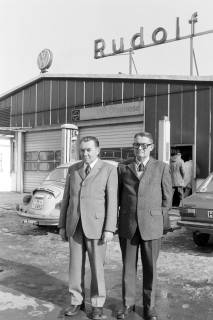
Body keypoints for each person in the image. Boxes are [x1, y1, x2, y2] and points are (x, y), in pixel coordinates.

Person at [58, 136, 118, 320]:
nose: (85, 153)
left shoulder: (108, 170)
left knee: (97, 268)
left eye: (89, 149)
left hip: (97, 227)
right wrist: (62, 225)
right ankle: (77, 301)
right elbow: (66, 199)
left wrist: (109, 228)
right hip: (74, 226)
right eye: (82, 150)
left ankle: (98, 304)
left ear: (98, 150)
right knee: (75, 267)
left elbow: (112, 201)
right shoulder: (73, 169)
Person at [117, 132, 173, 320]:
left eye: (143, 145)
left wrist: (160, 219)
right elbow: (118, 195)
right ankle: (127, 304)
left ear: (151, 147)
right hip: (128, 225)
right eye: (136, 145)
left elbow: (167, 198)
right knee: (128, 267)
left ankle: (149, 307)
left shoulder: (162, 168)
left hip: (151, 225)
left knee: (150, 268)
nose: (139, 149)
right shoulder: (123, 167)